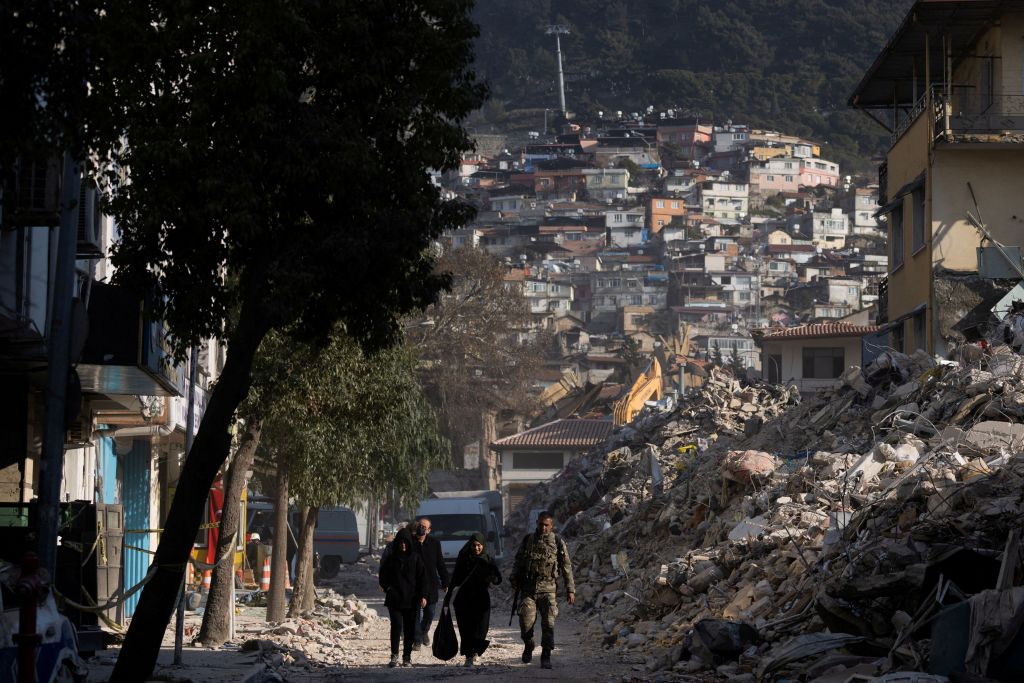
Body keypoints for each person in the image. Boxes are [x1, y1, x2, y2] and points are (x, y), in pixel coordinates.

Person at [510, 511, 574, 669]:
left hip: (548, 589)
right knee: (525, 623)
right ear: (537, 523)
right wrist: (514, 577)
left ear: (552, 526)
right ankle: (529, 644)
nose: (543, 528)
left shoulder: (558, 542)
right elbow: (518, 561)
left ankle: (546, 655)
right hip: (528, 589)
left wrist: (570, 589)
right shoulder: (528, 540)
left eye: (547, 525)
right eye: (541, 524)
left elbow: (566, 567)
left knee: (548, 624)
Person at [448, 532, 501, 667]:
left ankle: (476, 650)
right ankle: (468, 655)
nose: (476, 548)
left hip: (481, 598)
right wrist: (448, 597)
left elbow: (498, 578)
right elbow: (455, 579)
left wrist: (492, 577)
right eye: (474, 545)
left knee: (481, 628)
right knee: (466, 628)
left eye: (479, 545)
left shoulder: (487, 559)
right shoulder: (464, 558)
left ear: (483, 545)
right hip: (464, 599)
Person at [378, 528, 427, 667]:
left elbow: (423, 578)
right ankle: (394, 656)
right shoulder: (391, 559)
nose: (403, 545)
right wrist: (388, 589)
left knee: (410, 628)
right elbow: (383, 576)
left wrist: (423, 595)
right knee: (397, 626)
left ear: (409, 543)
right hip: (395, 599)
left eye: (406, 542)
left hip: (411, 600)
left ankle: (407, 656)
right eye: (400, 542)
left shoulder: (416, 558)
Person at [411, 517, 449, 649]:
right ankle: (416, 640)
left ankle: (424, 632)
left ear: (429, 530)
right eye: (420, 526)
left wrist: (445, 582)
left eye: (424, 527)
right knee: (416, 614)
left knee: (430, 613)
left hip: (431, 584)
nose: (421, 529)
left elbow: (440, 564)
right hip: (415, 585)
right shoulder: (410, 543)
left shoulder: (434, 543)